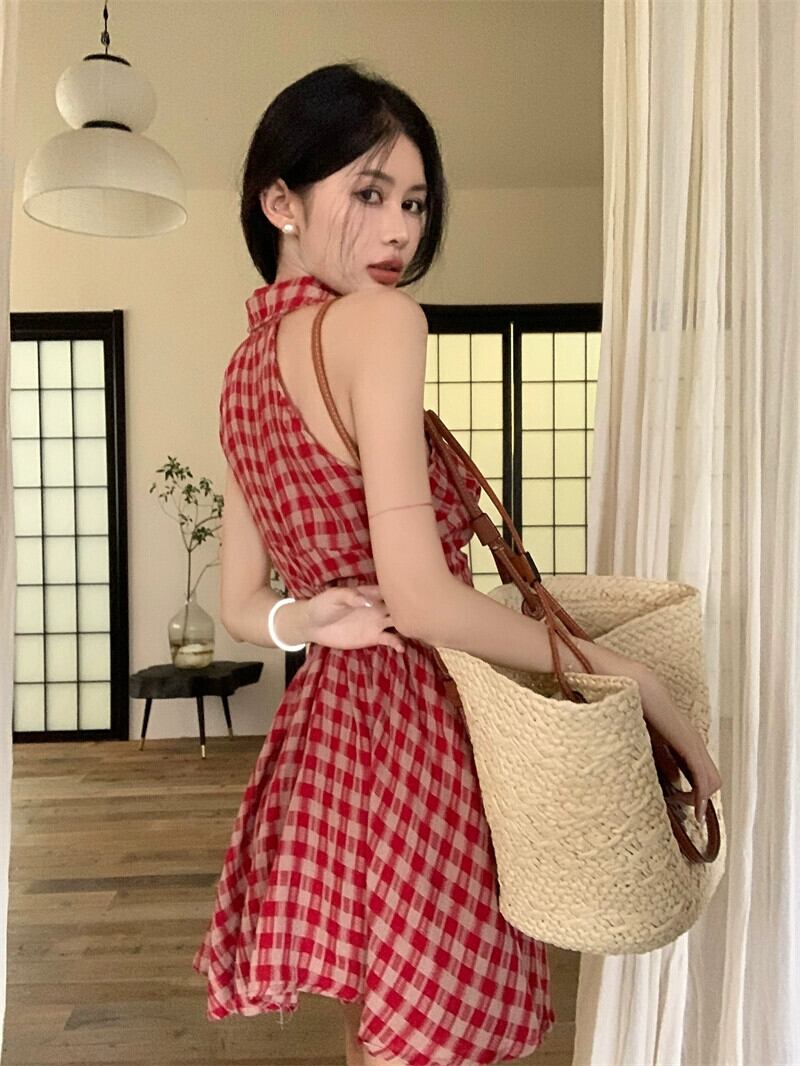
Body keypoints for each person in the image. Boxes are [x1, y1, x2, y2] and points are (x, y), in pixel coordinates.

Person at [191, 61, 722, 1066]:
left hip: (327, 731)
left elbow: (239, 602)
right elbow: (426, 602)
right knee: (430, 1029)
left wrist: (309, 620)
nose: (398, 231)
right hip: (420, 726)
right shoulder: (379, 324)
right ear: (279, 201)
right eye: (369, 193)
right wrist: (631, 678)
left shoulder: (242, 370)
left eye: (414, 203)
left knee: (381, 1030)